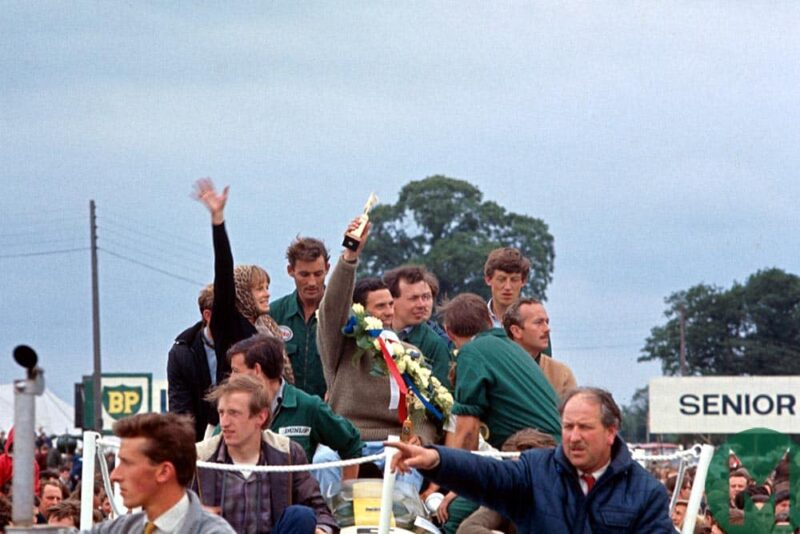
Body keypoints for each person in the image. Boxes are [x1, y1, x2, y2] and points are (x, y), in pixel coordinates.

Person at [387, 387, 674, 533]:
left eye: (584, 427)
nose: (573, 437)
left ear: (611, 432)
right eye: (567, 426)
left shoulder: (646, 493)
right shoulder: (534, 470)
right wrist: (436, 459)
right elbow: (485, 474)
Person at [317, 216, 436, 490]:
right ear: (359, 311)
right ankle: (327, 525)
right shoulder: (343, 347)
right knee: (323, 462)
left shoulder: (411, 355)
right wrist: (349, 257)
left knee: (408, 474)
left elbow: (425, 411)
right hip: (345, 441)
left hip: (394, 443)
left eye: (391, 304)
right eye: (380, 306)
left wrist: (418, 438)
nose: (389, 312)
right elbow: (332, 308)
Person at [195, 374, 337, 534]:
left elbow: (319, 509)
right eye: (221, 413)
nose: (224, 423)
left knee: (301, 516)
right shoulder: (199, 457)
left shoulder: (288, 453)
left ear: (260, 417)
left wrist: (322, 530)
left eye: (234, 413)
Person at [227, 334, 362, 496]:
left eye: (235, 371)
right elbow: (211, 454)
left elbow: (351, 443)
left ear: (257, 370)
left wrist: (346, 496)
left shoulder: (308, 407)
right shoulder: (232, 409)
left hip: (294, 510)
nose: (231, 380)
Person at [193, 178, 293, 384]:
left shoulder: (267, 325)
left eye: (267, 287)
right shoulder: (227, 320)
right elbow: (223, 270)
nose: (267, 294)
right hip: (239, 407)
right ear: (242, 293)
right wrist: (218, 221)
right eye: (259, 289)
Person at [440, 293, 561, 450]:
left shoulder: (471, 353)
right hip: (556, 448)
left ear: (449, 333)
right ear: (490, 322)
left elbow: (467, 431)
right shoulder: (512, 347)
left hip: (535, 451)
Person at [92, 412, 234, 533]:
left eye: (128, 463)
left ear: (164, 472)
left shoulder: (212, 531)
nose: (114, 476)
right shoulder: (122, 528)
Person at [270, 237, 330, 399]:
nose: (312, 282)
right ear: (290, 271)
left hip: (329, 412)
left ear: (327, 269)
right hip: (286, 410)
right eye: (304, 274)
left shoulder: (342, 313)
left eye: (318, 274)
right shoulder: (274, 314)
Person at [384, 265, 452, 390]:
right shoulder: (373, 332)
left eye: (426, 297)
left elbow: (443, 397)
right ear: (391, 300)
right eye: (413, 298)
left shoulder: (436, 345)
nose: (422, 305)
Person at [168, 284, 219, 440]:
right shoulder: (182, 353)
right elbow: (181, 412)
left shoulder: (247, 345)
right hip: (199, 441)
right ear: (208, 315)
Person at [484, 247, 553, 356]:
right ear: (488, 279)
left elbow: (544, 366)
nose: (507, 287)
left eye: (514, 280)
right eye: (501, 279)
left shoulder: (536, 324)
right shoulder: (475, 321)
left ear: (523, 281)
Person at [503, 298, 577, 398]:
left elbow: (572, 412)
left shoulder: (562, 374)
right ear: (516, 331)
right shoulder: (496, 370)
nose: (547, 329)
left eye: (547, 322)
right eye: (538, 322)